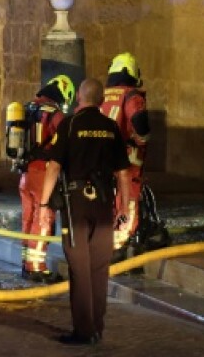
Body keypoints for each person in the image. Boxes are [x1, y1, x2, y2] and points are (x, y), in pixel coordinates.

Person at [40, 78, 133, 346]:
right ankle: (97, 328)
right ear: (101, 100)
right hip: (103, 203)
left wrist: (44, 205)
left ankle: (83, 331)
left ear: (79, 98)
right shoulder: (111, 127)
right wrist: (124, 208)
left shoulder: (69, 125)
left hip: (75, 204)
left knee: (79, 267)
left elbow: (54, 167)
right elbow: (123, 173)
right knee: (99, 268)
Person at [18, 74, 74, 281]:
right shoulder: (55, 114)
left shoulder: (28, 107)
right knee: (44, 218)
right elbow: (66, 143)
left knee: (29, 217)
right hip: (42, 172)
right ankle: (36, 267)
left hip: (25, 172)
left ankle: (26, 263)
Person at [100, 52, 149, 251]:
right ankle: (119, 244)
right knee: (128, 199)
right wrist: (142, 139)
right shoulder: (131, 95)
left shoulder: (101, 94)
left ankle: (105, 241)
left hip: (102, 157)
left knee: (108, 199)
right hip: (127, 158)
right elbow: (140, 122)